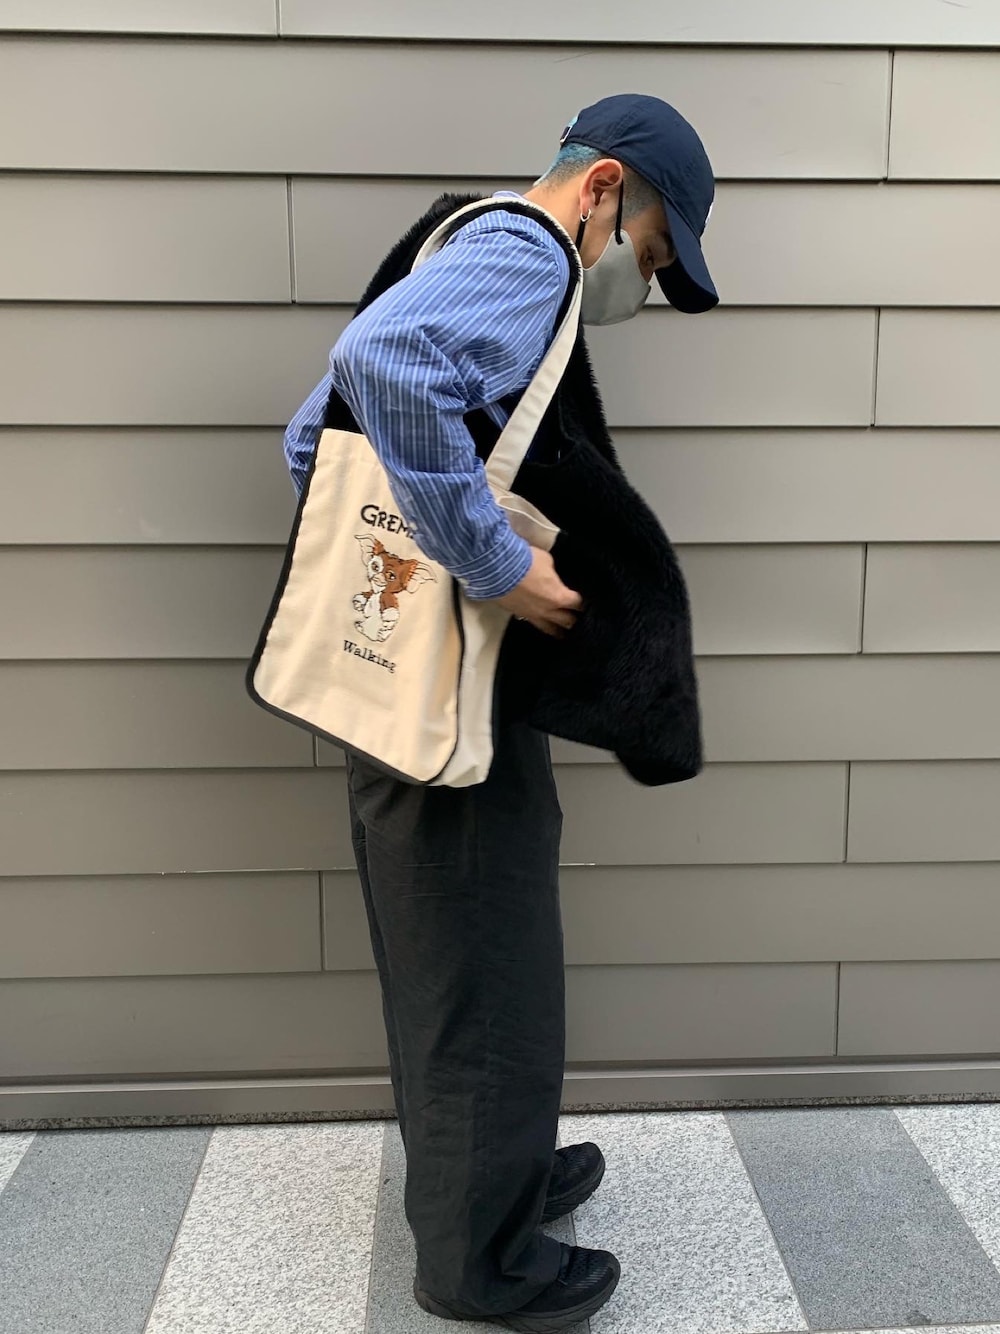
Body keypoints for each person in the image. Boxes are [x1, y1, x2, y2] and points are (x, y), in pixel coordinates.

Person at [283, 93, 718, 1332]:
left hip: (417, 672)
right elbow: (384, 367)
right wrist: (488, 562)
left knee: (455, 944)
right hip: (448, 680)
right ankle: (482, 1259)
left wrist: (404, 541)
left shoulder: (459, 237)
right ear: (603, 188)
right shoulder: (527, 255)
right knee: (484, 952)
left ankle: (491, 1167)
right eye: (649, 251)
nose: (640, 279)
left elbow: (312, 438)